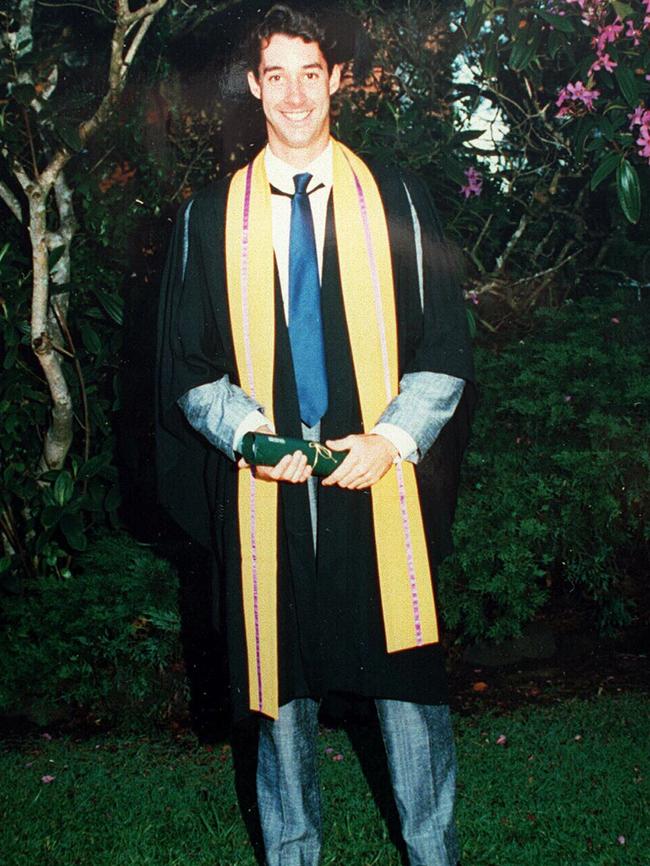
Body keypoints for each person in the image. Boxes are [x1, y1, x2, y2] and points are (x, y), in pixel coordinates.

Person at [156, 5, 475, 865]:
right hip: (268, 488)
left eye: (310, 73)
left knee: (406, 685)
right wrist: (250, 438)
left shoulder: (399, 198)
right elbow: (186, 367)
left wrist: (396, 439)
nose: (294, 95)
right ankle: (292, 854)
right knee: (277, 687)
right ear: (253, 85)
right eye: (276, 76)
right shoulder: (209, 218)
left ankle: (432, 853)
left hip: (376, 479)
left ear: (337, 79)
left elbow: (445, 343)